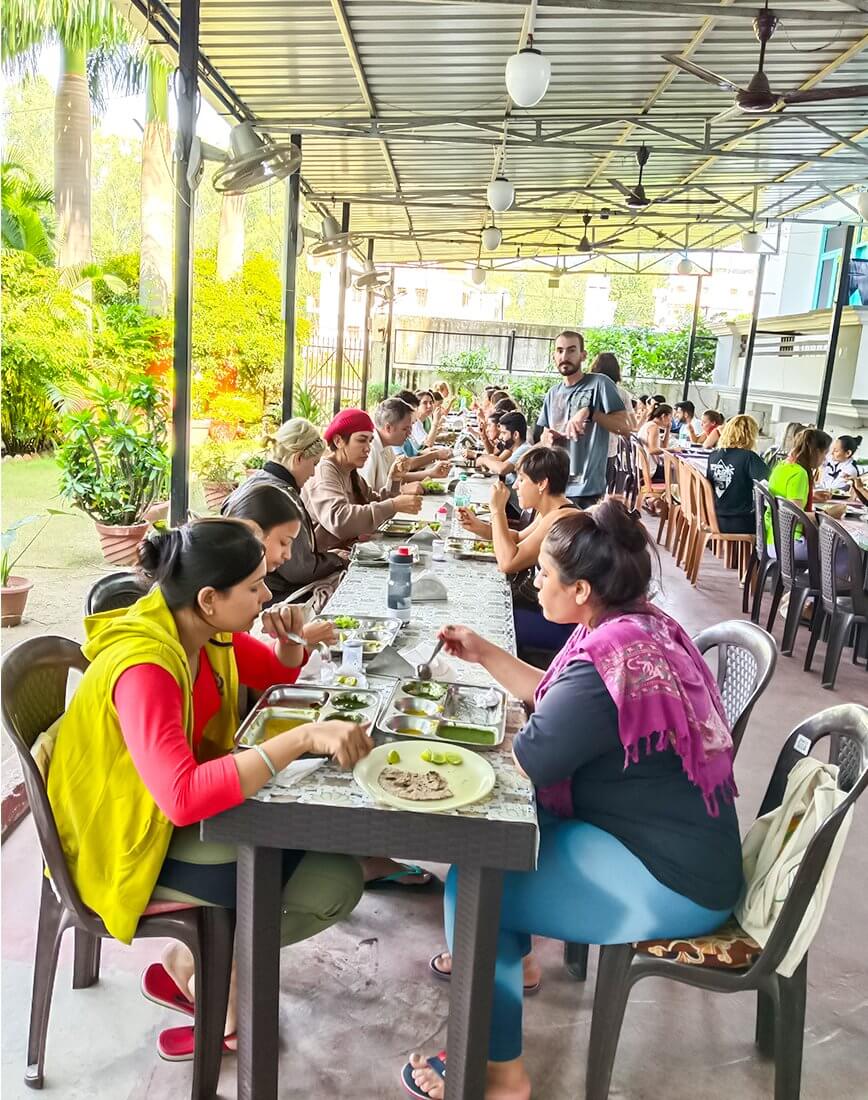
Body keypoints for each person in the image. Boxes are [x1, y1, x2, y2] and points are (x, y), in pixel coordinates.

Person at [406, 503, 742, 1100]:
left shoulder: (602, 668)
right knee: (498, 869)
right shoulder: (633, 630)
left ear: (581, 589)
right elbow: (557, 702)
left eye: (545, 574)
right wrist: (484, 652)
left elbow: (530, 758)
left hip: (670, 878)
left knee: (476, 885)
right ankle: (513, 964)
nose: (534, 580)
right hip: (681, 846)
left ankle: (500, 1076)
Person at [45, 519, 371, 1060]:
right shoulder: (146, 665)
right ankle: (214, 979)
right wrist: (302, 739)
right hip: (119, 843)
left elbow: (277, 673)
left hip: (162, 820)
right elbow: (182, 796)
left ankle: (191, 966)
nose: (267, 595)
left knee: (333, 875)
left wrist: (290, 644)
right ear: (209, 598)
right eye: (254, 586)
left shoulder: (203, 631)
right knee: (290, 862)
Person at [459, 447, 578, 652]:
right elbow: (518, 538)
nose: (515, 486)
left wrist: (497, 511)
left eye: (521, 480)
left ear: (542, 483)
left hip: (560, 624)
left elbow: (508, 562)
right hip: (546, 608)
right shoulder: (554, 510)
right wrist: (481, 527)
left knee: (481, 620)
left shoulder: (560, 519)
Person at [220, 418, 346, 609]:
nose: (313, 473)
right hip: (269, 596)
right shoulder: (280, 497)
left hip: (243, 590)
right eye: (314, 463)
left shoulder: (251, 483)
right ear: (298, 458)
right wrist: (335, 560)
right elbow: (300, 570)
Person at [535, 329, 631, 507]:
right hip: (554, 485)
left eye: (572, 350)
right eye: (560, 350)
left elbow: (624, 428)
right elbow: (543, 435)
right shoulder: (552, 393)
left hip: (586, 490)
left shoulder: (600, 383)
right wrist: (547, 438)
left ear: (583, 355)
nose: (565, 356)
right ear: (554, 356)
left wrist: (592, 413)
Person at [302, 409, 422, 551]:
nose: (368, 449)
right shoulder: (324, 473)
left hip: (349, 553)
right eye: (361, 440)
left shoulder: (351, 472)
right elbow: (340, 521)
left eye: (370, 441)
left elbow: (375, 504)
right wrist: (393, 505)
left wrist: (394, 480)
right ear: (338, 441)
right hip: (326, 564)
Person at [765, 428, 832, 558]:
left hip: (773, 538)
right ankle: (816, 578)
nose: (824, 459)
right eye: (825, 453)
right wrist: (828, 514)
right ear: (817, 452)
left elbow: (787, 501)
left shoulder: (783, 465)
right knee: (841, 553)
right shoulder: (799, 474)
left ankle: (811, 577)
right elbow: (795, 516)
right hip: (789, 543)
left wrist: (810, 496)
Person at [361, 398, 450, 494]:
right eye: (405, 429)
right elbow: (365, 498)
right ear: (388, 428)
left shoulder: (387, 445)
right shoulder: (369, 450)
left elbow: (396, 477)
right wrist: (402, 490)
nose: (409, 433)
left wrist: (431, 473)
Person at [705, 416, 770, 535]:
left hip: (714, 518)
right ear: (750, 435)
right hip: (740, 521)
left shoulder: (713, 455)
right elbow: (770, 482)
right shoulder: (749, 457)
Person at [589, 352, 636, 482]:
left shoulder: (586, 390)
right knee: (602, 491)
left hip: (585, 448)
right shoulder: (622, 394)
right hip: (609, 449)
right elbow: (632, 425)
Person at [476, 410, 531, 479]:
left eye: (504, 433)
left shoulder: (524, 449)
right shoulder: (516, 449)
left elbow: (502, 469)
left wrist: (483, 460)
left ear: (515, 435)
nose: (500, 437)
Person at [637, 402, 673, 480]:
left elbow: (664, 446)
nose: (671, 420)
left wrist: (668, 429)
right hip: (649, 469)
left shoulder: (649, 424)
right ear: (663, 416)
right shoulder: (653, 427)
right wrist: (673, 450)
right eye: (670, 417)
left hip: (641, 467)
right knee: (677, 472)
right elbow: (652, 450)